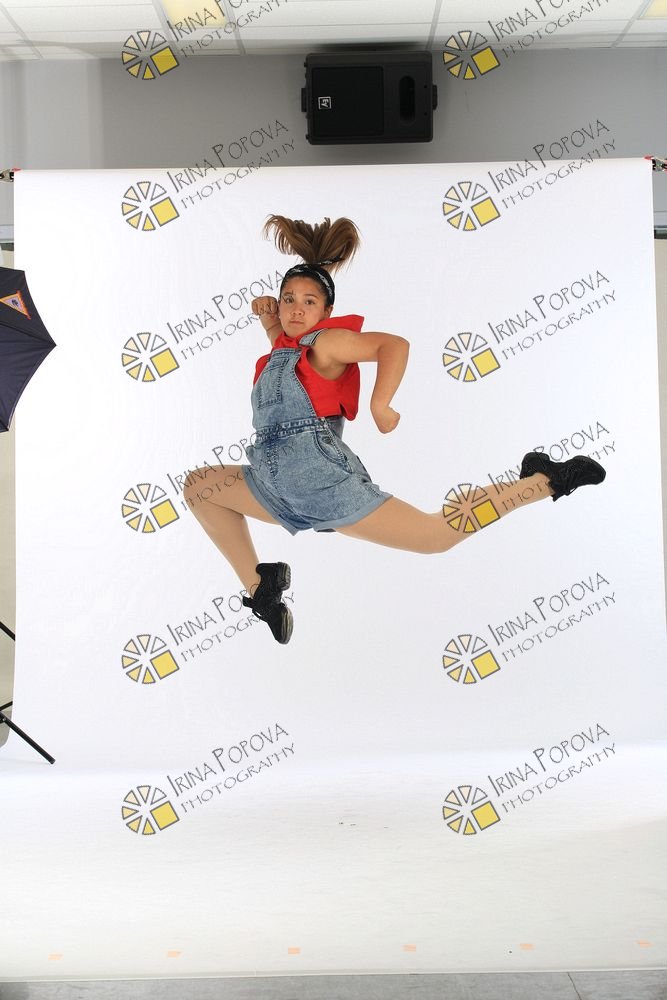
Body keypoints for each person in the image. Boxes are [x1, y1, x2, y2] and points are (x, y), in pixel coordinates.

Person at [184, 215, 606, 644]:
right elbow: (284, 354)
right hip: (275, 482)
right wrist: (269, 320)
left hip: (320, 482)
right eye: (288, 299)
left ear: (327, 313)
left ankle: (544, 480)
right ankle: (263, 590)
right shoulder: (284, 348)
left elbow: (393, 345)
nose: (296, 309)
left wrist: (380, 403)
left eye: (308, 302)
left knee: (434, 535)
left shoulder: (328, 342)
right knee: (200, 487)